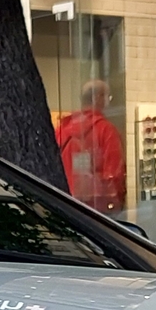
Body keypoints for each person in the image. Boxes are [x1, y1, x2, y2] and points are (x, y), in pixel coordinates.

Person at [55, 78, 126, 212]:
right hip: (95, 210)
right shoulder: (106, 131)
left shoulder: (61, 130)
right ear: (97, 98)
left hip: (63, 203)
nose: (108, 102)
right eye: (108, 97)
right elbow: (114, 174)